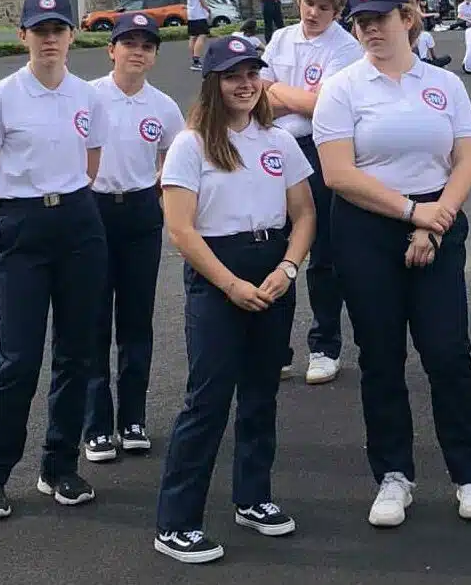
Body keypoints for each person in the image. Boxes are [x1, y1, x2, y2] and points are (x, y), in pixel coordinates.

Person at [313, 0, 471, 528]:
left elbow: (465, 160)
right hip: (368, 229)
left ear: (408, 18)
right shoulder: (342, 88)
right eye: (362, 22)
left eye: (381, 19)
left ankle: (470, 474)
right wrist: (411, 213)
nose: (371, 30)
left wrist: (433, 222)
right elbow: (339, 173)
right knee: (382, 358)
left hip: (437, 222)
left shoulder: (444, 84)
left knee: (447, 353)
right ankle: (393, 475)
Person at [154, 35, 317, 564]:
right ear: (214, 83)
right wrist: (229, 284)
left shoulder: (280, 140)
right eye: (233, 75)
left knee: (261, 394)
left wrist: (289, 267)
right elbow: (181, 230)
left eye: (252, 73)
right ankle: (177, 522)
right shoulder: (192, 143)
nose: (245, 83)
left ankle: (253, 497)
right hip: (218, 275)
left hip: (272, 271)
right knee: (208, 400)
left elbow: (306, 214)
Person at [0, 0, 110, 521]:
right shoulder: (1, 95)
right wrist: (21, 212)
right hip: (24, 227)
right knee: (19, 360)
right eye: (39, 29)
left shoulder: (86, 96)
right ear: (23, 35)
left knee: (77, 354)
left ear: (72, 35)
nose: (50, 39)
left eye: (59, 29)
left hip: (78, 223)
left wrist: (62, 203)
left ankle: (59, 466)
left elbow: (90, 165)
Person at [82, 13, 184, 464]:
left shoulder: (163, 106)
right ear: (112, 50)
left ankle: (133, 419)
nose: (137, 52)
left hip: (141, 212)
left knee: (136, 318)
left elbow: (177, 156)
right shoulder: (87, 97)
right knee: (93, 320)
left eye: (147, 45)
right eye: (129, 43)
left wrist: (158, 185)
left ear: (154, 55)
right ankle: (97, 425)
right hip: (94, 211)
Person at [260, 0, 362, 385]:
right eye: (308, 3)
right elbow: (256, 96)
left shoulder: (345, 48)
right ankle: (274, 348)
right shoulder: (282, 38)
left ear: (337, 12)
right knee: (274, 249)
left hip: (318, 148)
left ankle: (324, 346)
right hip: (274, 148)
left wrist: (279, 92)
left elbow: (323, 106)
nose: (313, 13)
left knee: (322, 253)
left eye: (323, 8)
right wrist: (290, 97)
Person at [185, 0, 211, 71]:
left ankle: (193, 59)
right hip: (199, 12)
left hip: (191, 12)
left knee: (193, 36)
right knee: (202, 34)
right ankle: (196, 60)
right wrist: (208, 8)